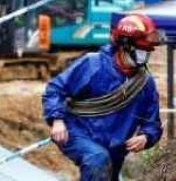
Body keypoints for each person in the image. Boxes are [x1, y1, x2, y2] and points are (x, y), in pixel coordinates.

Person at [43, 14, 163, 181]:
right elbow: (55, 89)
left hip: (115, 149)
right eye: (141, 50)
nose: (145, 55)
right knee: (97, 159)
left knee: (105, 167)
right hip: (77, 133)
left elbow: (153, 123)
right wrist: (57, 120)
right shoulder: (93, 65)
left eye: (147, 51)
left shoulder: (145, 84)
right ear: (124, 46)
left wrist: (146, 136)